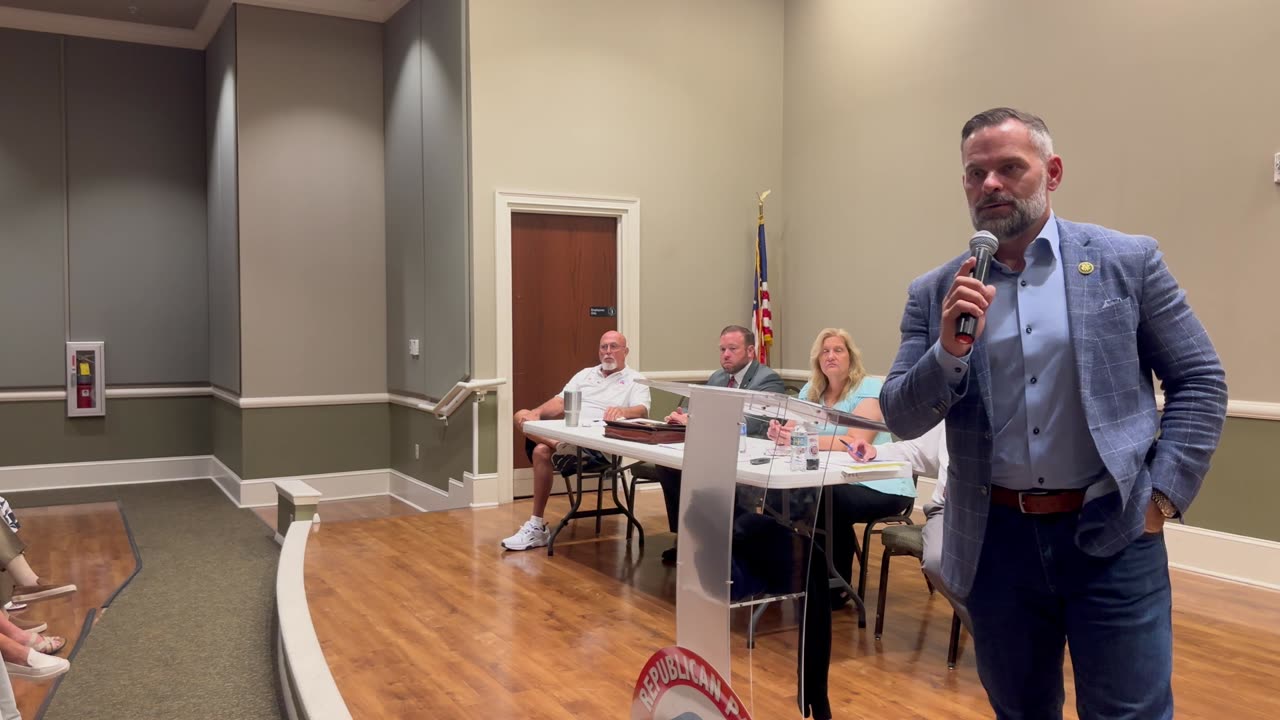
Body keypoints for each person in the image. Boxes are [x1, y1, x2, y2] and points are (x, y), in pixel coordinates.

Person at [880, 107, 1227, 719]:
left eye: (1010, 168)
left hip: (1113, 531)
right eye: (975, 173)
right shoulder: (936, 291)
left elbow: (1199, 378)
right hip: (996, 544)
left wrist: (1162, 499)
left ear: (1053, 172)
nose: (990, 184)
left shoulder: (1127, 261)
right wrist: (948, 352)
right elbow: (902, 415)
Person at [766, 328, 914, 600]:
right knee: (773, 495)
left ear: (851, 357)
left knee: (825, 498)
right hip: (830, 477)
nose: (831, 356)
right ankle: (779, 576)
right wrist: (780, 433)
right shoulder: (810, 391)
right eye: (825, 351)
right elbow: (791, 431)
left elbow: (854, 440)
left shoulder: (870, 389)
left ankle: (834, 587)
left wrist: (801, 438)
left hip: (879, 482)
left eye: (838, 350)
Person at [504, 331, 651, 551]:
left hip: (599, 447)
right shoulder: (585, 375)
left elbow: (643, 410)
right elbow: (561, 402)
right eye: (603, 347)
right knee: (521, 415)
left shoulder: (635, 379)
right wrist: (535, 413)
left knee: (541, 451)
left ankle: (536, 525)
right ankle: (561, 448)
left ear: (625, 351)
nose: (608, 352)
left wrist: (623, 410)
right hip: (569, 437)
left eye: (614, 347)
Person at [652, 325, 785, 563]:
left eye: (732, 349)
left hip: (749, 455)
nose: (725, 354)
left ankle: (730, 544)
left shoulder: (768, 379)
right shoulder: (718, 377)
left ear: (751, 351)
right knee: (668, 466)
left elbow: (752, 424)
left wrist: (696, 420)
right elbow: (699, 410)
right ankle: (689, 538)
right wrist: (683, 417)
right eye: (722, 349)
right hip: (715, 448)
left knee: (703, 472)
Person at [844, 424, 971, 630]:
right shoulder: (957, 403)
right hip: (947, 508)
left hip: (999, 506)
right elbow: (920, 452)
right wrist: (877, 451)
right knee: (938, 560)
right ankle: (996, 643)